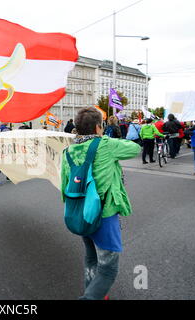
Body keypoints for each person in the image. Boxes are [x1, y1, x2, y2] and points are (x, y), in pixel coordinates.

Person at [60, 107, 141, 300]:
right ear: (98, 127)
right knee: (108, 267)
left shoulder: (68, 151)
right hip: (103, 214)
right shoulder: (106, 144)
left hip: (80, 213)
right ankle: (90, 297)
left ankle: (93, 291)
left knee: (91, 257)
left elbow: (64, 183)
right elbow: (135, 148)